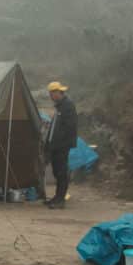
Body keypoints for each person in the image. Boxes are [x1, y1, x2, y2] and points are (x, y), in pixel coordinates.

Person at [44, 81, 77, 209]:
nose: (51, 96)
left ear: (58, 93)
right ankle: (57, 197)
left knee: (61, 172)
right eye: (50, 94)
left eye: (53, 94)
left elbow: (70, 128)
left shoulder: (68, 106)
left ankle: (60, 200)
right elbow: (55, 128)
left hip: (62, 145)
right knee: (57, 171)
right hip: (56, 145)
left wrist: (61, 143)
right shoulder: (59, 106)